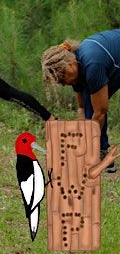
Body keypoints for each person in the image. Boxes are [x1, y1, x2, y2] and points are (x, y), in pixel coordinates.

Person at [41, 29, 120, 173]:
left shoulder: (92, 65)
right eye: (59, 82)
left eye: (62, 78)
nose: (63, 84)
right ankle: (101, 153)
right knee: (90, 105)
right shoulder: (76, 68)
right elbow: (83, 108)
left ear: (70, 65)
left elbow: (100, 112)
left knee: (96, 111)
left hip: (113, 61)